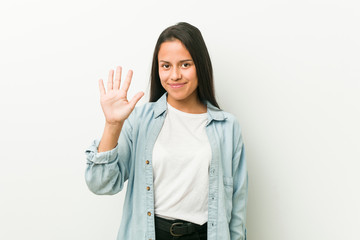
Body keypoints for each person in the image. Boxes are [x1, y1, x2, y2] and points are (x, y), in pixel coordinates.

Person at [85, 22, 248, 240]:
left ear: (200, 65)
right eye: (166, 66)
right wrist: (113, 125)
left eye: (185, 64)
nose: (175, 75)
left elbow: (237, 209)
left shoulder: (227, 126)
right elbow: (101, 184)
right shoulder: (140, 120)